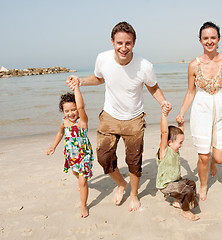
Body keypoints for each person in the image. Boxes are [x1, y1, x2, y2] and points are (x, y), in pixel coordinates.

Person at [66, 21, 171, 212]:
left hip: (134, 119)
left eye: (128, 43)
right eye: (119, 43)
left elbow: (153, 87)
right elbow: (99, 78)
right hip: (110, 116)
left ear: (134, 43)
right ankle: (121, 183)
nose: (124, 48)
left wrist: (162, 102)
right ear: (112, 42)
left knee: (134, 161)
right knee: (103, 157)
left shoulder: (144, 65)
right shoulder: (103, 59)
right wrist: (80, 81)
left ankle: (134, 194)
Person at [176, 22, 222, 201]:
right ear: (200, 40)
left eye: (213, 38)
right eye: (205, 38)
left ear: (218, 39)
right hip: (201, 111)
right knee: (203, 156)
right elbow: (190, 92)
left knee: (218, 158)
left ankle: (212, 163)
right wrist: (181, 113)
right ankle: (203, 186)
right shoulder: (194, 65)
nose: (209, 41)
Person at [46, 78, 94, 218]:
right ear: (62, 111)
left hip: (84, 155)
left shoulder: (82, 121)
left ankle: (83, 205)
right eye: (67, 111)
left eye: (73, 110)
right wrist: (53, 146)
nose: (71, 113)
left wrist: (76, 88)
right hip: (71, 154)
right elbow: (60, 133)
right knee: (75, 173)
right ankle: (79, 179)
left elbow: (81, 108)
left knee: (83, 180)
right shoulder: (64, 122)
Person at [156, 109, 200, 221]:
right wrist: (164, 115)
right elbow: (164, 132)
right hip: (166, 185)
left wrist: (181, 124)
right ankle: (186, 211)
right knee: (187, 191)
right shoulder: (164, 151)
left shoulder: (175, 149)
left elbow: (180, 134)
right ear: (169, 142)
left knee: (191, 183)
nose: (181, 145)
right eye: (180, 143)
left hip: (176, 181)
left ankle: (178, 201)